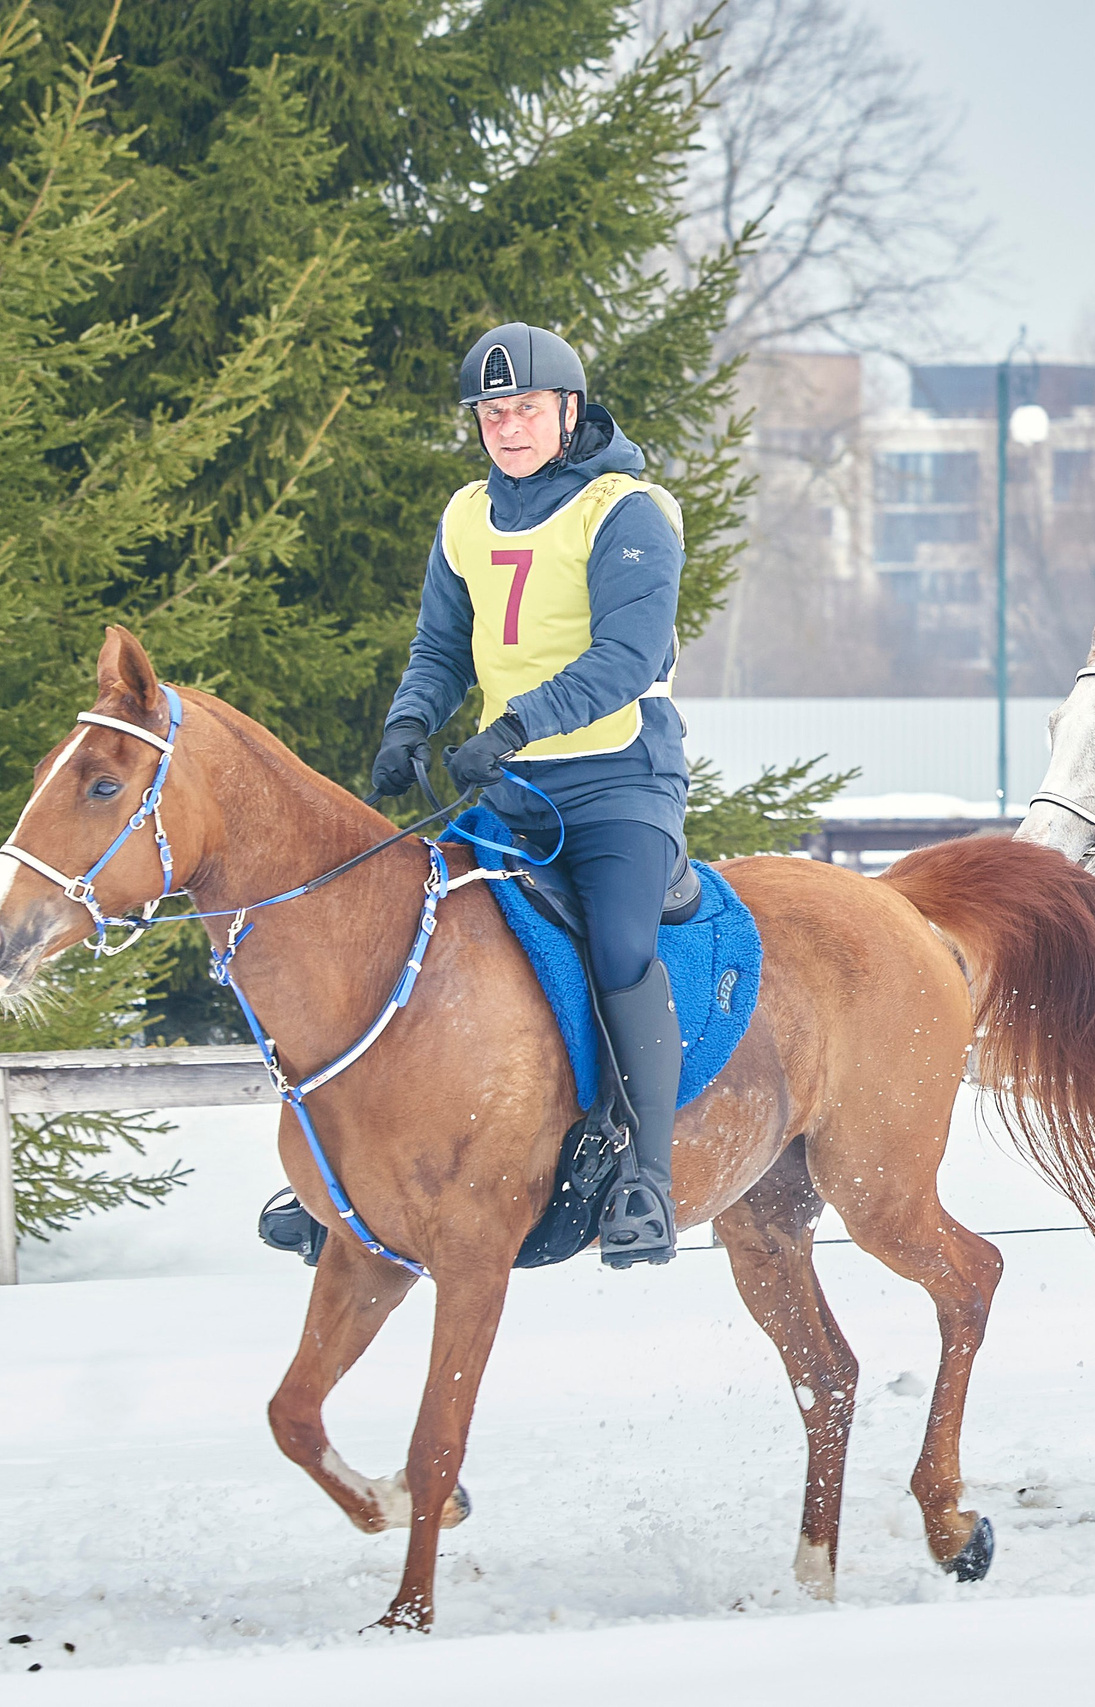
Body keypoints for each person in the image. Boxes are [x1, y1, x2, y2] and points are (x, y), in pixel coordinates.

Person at [373, 322, 690, 1264]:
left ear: (569, 410)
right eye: (492, 412)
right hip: (510, 787)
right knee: (416, 926)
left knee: (624, 944)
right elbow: (439, 646)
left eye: (525, 410)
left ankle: (651, 1182)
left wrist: (515, 725)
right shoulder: (466, 515)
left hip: (618, 782)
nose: (508, 428)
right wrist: (409, 725)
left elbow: (626, 658)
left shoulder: (625, 509)